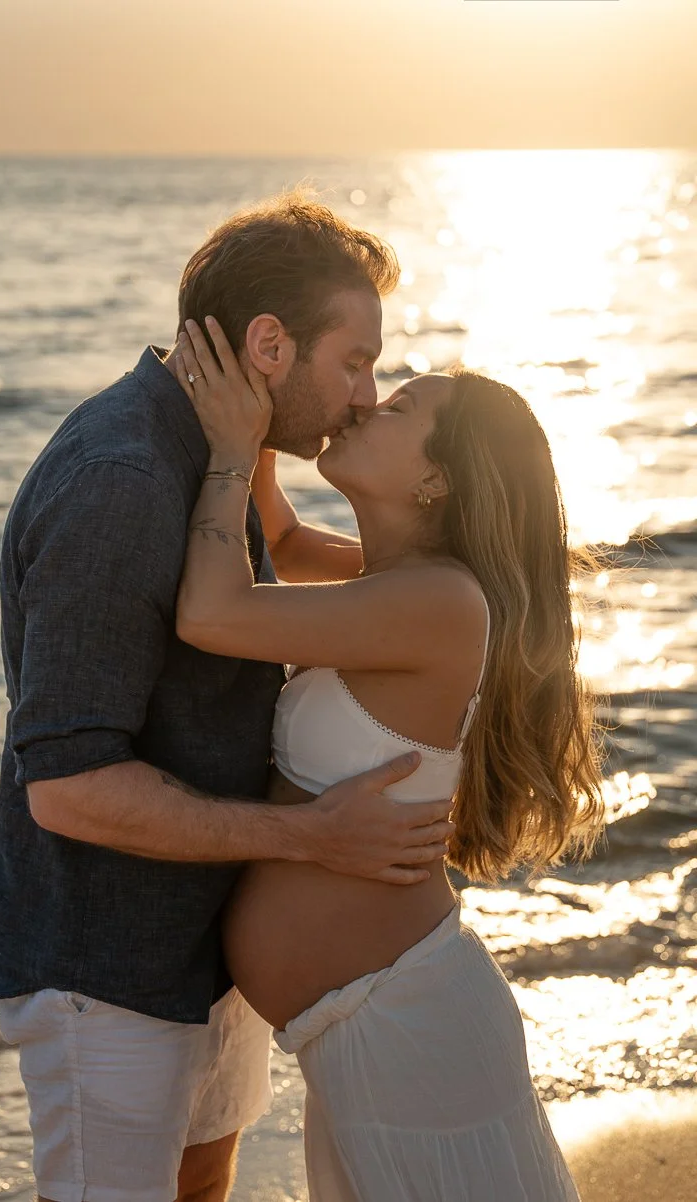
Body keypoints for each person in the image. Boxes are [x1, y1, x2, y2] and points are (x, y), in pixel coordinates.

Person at [0, 195, 455, 1202]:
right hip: (102, 967)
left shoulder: (220, 448)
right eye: (354, 360)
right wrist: (312, 835)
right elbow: (65, 787)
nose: (365, 394)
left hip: (196, 943)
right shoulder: (121, 479)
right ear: (269, 345)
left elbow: (289, 554)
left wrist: (480, 574)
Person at [173, 317, 606, 1202]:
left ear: (437, 477)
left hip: (408, 1029)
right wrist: (260, 425)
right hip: (373, 1027)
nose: (366, 404)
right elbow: (285, 547)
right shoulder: (403, 585)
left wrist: (225, 449)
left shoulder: (439, 601)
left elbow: (211, 613)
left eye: (400, 406)